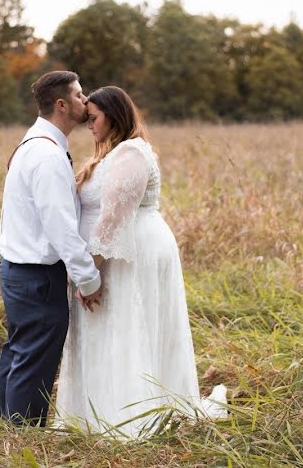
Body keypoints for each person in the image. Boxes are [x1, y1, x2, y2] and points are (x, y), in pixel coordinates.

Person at [55, 86, 225, 437]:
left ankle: (130, 417)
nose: (89, 125)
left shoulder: (131, 153)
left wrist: (90, 273)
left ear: (114, 117)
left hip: (133, 251)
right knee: (111, 324)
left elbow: (113, 220)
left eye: (94, 118)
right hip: (117, 250)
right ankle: (96, 411)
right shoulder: (111, 154)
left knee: (128, 323)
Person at [0, 70, 103, 426]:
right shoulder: (47, 156)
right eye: (79, 94)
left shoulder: (39, 143)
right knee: (34, 355)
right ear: (61, 104)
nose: (85, 101)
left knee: (20, 350)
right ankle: (21, 436)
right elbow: (61, 228)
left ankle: (5, 428)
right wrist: (88, 279)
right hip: (36, 275)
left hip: (18, 267)